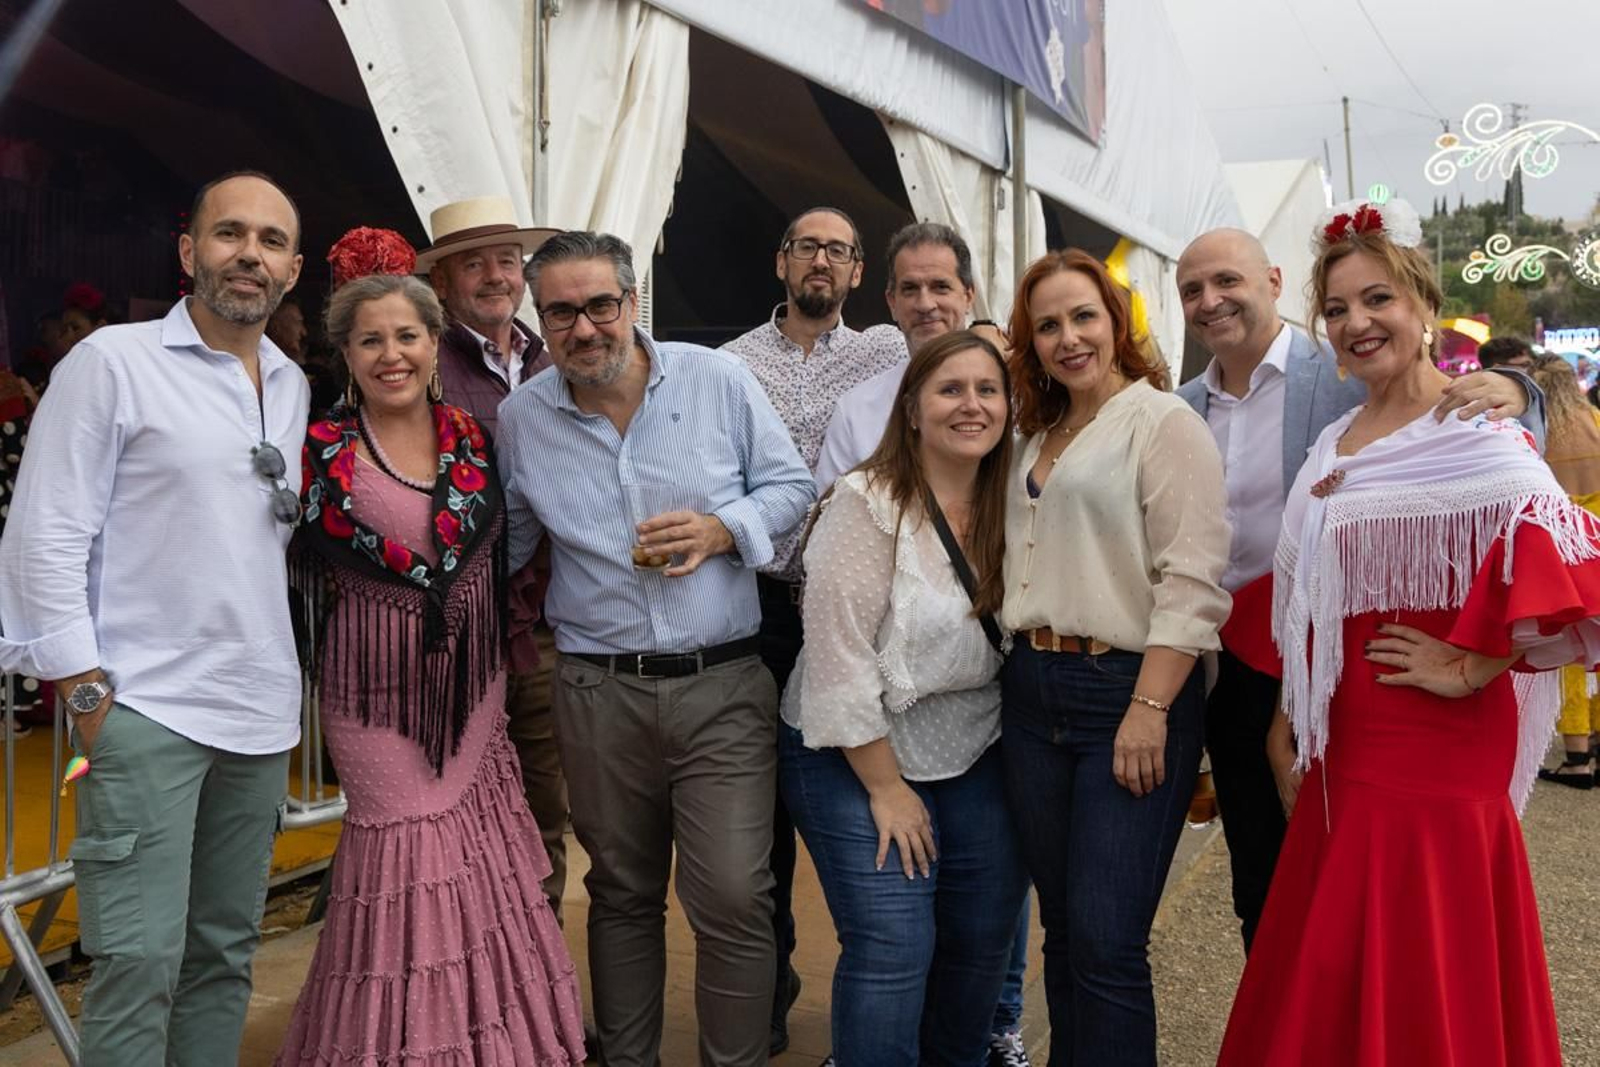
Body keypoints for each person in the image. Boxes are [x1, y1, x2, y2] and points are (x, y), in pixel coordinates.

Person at [1215, 199, 1586, 1066]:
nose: (1357, 322)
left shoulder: (1480, 431)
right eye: (1337, 309)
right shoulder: (1338, 438)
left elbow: (1571, 569)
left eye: (1377, 299)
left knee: (1434, 948)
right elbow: (1308, 602)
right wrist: (1287, 722)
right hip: (1346, 740)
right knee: (1337, 952)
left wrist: (1479, 662)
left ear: (1421, 305)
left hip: (1444, 741)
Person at [0, 171, 308, 1066]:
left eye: (272, 240)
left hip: (257, 717)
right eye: (229, 233)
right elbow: (43, 536)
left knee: (222, 956)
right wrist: (90, 697)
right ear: (188, 252)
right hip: (145, 714)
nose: (249, 253)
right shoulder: (112, 362)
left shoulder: (289, 385)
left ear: (292, 269)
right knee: (139, 961)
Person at [497, 230, 815, 1067]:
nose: (584, 327)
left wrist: (721, 529)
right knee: (621, 892)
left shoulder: (717, 379)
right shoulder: (521, 417)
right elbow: (513, 544)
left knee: (736, 896)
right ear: (541, 318)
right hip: (599, 691)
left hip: (723, 683)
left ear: (633, 302)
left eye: (601, 304)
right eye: (561, 311)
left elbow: (793, 487)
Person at [1172, 227, 1540, 950]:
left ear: (1273, 282)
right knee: (1274, 892)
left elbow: (1537, 525)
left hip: (1386, 697)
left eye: (1227, 281)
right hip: (1257, 672)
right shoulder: (1185, 406)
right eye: (1192, 289)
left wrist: (1475, 661)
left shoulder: (1351, 377)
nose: (1210, 301)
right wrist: (1283, 713)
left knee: (1412, 913)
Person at [273, 252, 586, 1065]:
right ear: (346, 354)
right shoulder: (322, 451)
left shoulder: (478, 441)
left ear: (431, 340)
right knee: (406, 858)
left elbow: (526, 538)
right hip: (373, 698)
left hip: (471, 692)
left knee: (477, 865)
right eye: (370, 339)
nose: (391, 354)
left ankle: (501, 1041)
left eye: (406, 335)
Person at [808, 220, 1035, 1067]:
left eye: (987, 390)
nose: (970, 405)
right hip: (855, 745)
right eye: (948, 392)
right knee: (896, 943)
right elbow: (835, 664)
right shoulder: (865, 505)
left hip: (973, 743)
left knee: (981, 939)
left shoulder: (1019, 499)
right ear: (912, 406)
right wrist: (888, 791)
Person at [1000, 249, 1231, 1066]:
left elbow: (1194, 583)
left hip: (1126, 691)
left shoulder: (1163, 423)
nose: (1069, 337)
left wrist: (1151, 707)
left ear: (1118, 319)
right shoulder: (1030, 430)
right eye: (1049, 324)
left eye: (1084, 316)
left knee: (1106, 938)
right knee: (1062, 932)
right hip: (1028, 689)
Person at [721, 205, 906, 1054]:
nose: (821, 260)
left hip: (860, 610)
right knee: (757, 822)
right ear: (781, 260)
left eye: (838, 249)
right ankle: (766, 987)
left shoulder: (890, 354)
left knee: (861, 805)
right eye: (807, 246)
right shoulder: (728, 365)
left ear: (859, 272)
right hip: (757, 612)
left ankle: (881, 988)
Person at [418, 196, 572, 918]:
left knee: (545, 809)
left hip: (543, 625)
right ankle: (468, 998)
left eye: (506, 260)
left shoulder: (555, 360)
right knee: (453, 811)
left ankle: (534, 999)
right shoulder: (416, 360)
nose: (494, 275)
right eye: (473, 262)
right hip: (452, 628)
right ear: (443, 280)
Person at [1530, 352, 1600, 788]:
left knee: (1571, 651)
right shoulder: (1595, 419)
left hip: (1565, 542)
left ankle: (1577, 757)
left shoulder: (1542, 432)